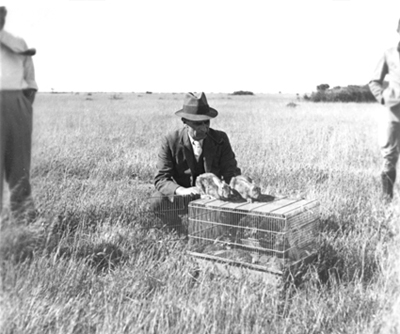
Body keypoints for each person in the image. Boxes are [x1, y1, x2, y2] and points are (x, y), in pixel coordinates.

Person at [150, 92, 241, 231]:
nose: (204, 128)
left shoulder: (220, 139)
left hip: (215, 198)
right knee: (157, 201)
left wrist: (225, 188)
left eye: (207, 122)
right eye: (198, 123)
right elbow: (161, 179)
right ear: (185, 121)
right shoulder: (170, 141)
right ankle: (178, 232)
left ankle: (225, 234)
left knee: (239, 199)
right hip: (184, 197)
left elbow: (232, 172)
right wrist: (181, 191)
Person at [0, 6, 38, 220]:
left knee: (19, 166)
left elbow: (30, 78)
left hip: (16, 105)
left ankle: (24, 221)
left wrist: (24, 103)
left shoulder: (18, 43)